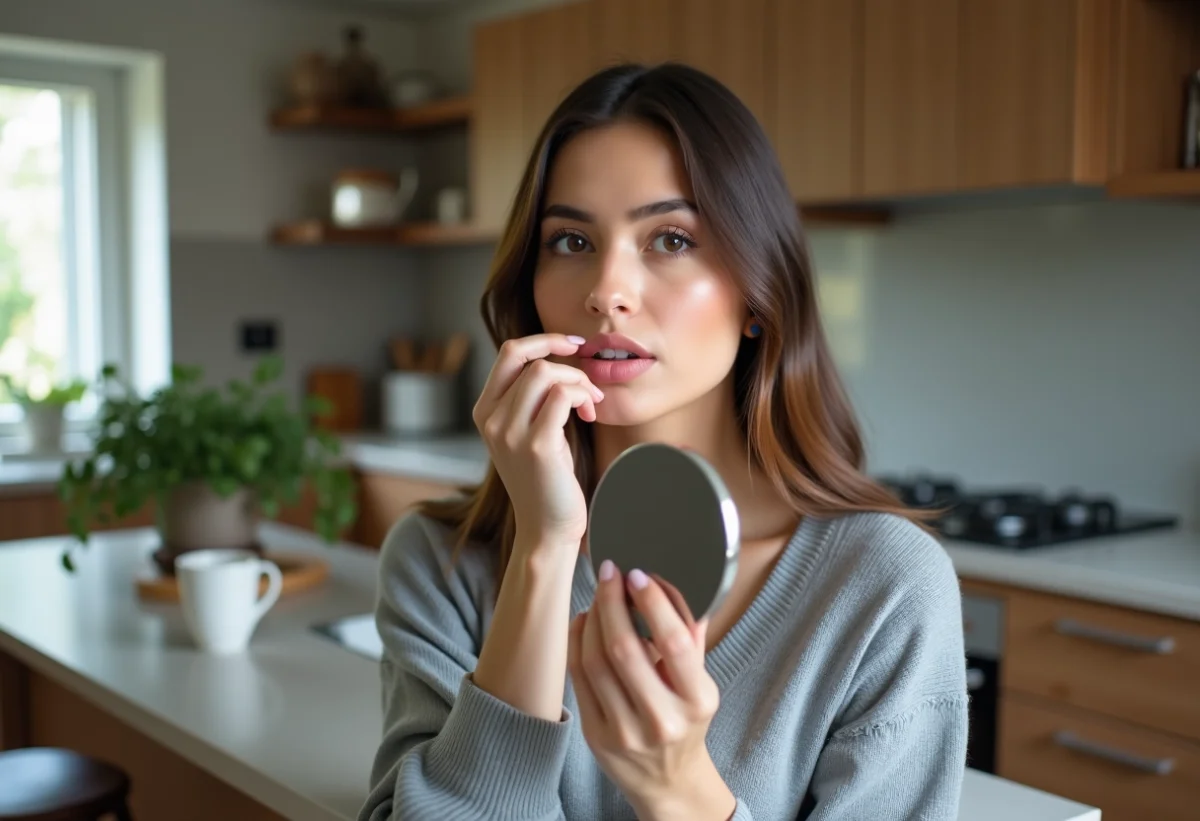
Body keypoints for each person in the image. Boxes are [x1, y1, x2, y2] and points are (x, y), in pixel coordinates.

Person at [358, 63, 967, 821]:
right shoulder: (440, 564)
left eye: (671, 238)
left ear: (757, 291)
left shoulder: (885, 589)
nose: (606, 288)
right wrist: (543, 553)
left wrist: (677, 785)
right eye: (572, 238)